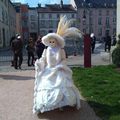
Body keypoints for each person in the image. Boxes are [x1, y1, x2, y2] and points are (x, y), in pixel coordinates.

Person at [33, 16, 82, 114]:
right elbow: (43, 59)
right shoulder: (46, 50)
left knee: (62, 86)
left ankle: (61, 104)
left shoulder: (61, 50)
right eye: (50, 41)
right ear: (48, 42)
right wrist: (39, 64)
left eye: (53, 41)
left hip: (59, 70)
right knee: (46, 86)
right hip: (48, 70)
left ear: (56, 42)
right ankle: (48, 103)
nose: (51, 43)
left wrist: (60, 65)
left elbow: (64, 59)